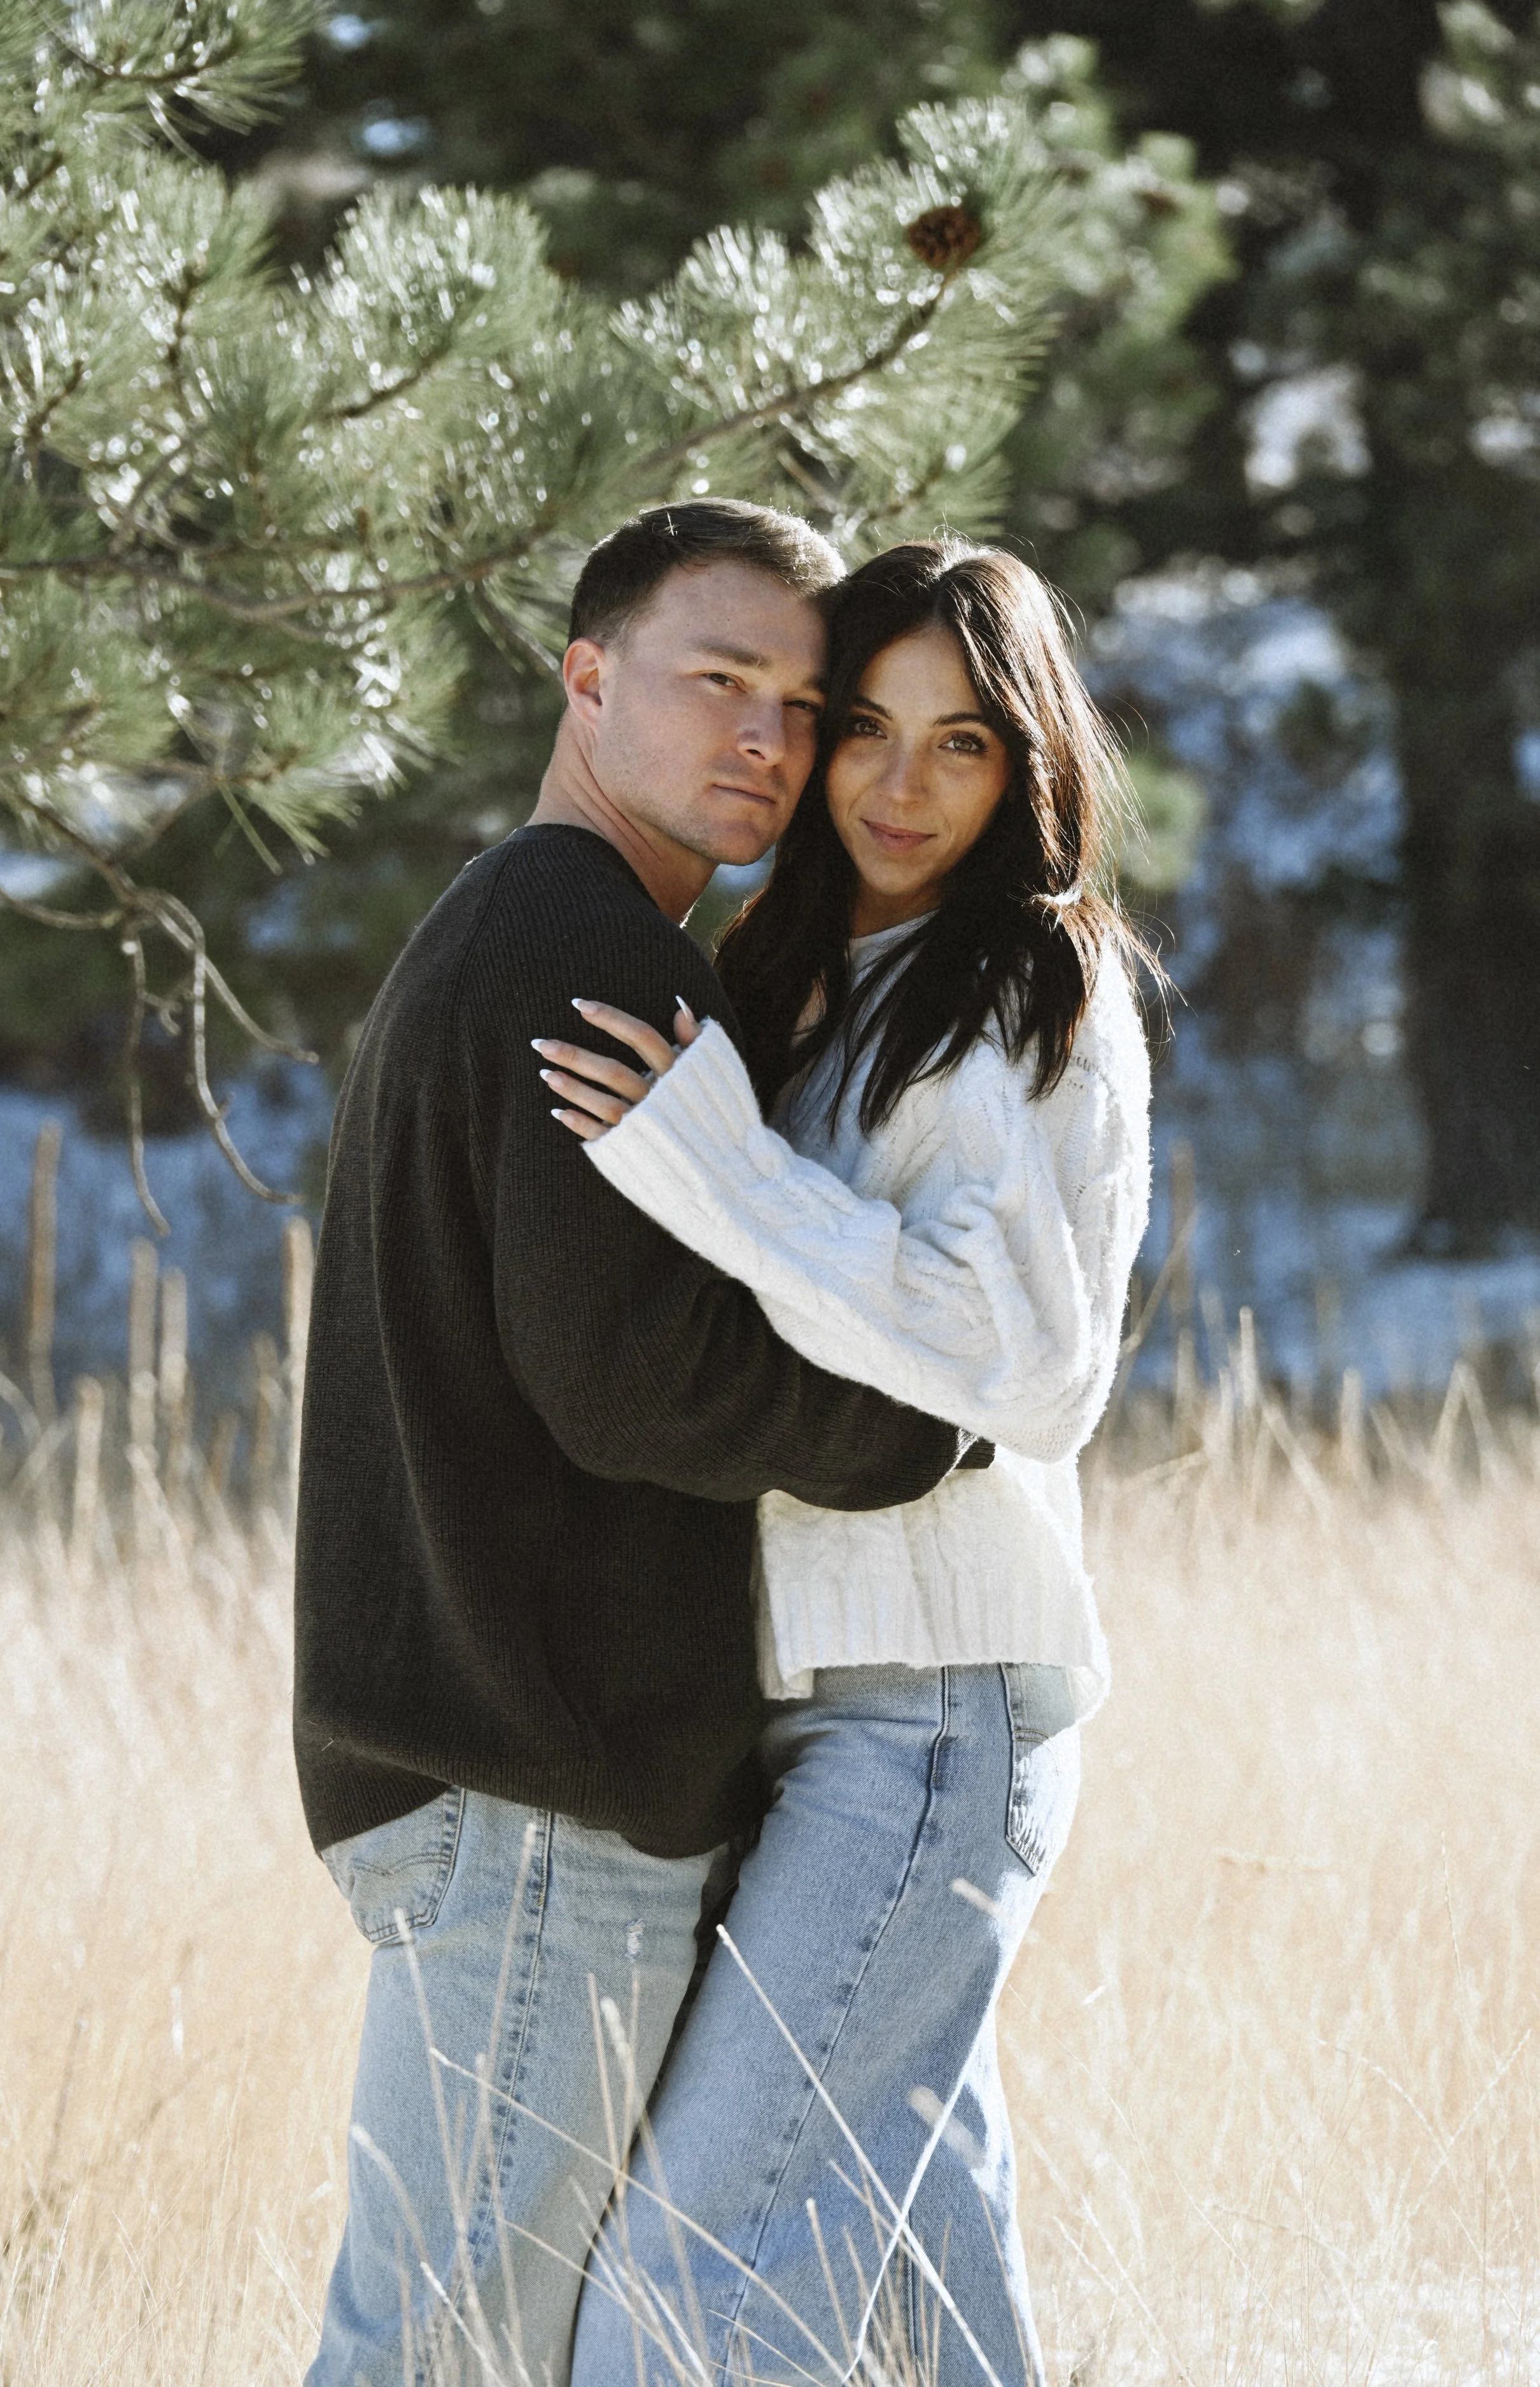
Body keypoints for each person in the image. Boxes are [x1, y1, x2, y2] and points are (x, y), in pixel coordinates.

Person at [293, 503, 990, 2387]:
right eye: (716, 680)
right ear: (585, 675)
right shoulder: (587, 948)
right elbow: (636, 1378)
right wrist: (926, 1426)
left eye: (799, 700)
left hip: (485, 1768)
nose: (766, 735)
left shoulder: (517, 921)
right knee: (442, 2354)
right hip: (535, 1781)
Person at [535, 540, 1153, 2386]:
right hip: (821, 1709)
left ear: (1026, 759)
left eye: (958, 743)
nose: (896, 785)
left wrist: (722, 1168)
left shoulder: (1036, 987)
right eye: (858, 730)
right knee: (917, 2288)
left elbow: (1031, 1367)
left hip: (933, 1711)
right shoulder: (813, 980)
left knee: (681, 2289)